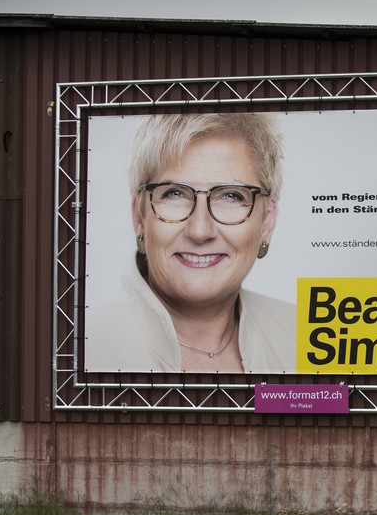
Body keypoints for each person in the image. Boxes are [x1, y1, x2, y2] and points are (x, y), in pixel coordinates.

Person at [85, 113, 295, 373]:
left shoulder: (301, 338)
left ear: (267, 222)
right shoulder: (81, 350)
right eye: (174, 194)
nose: (199, 230)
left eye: (231, 195)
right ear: (140, 216)